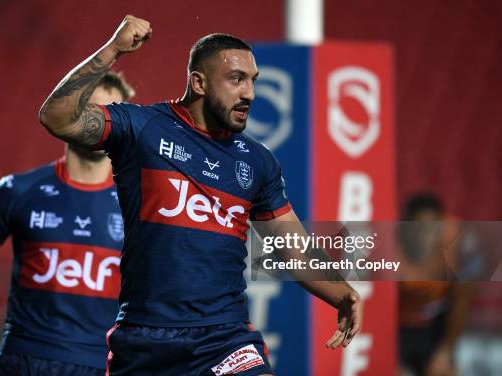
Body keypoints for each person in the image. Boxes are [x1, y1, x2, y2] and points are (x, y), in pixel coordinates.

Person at [39, 15, 362, 375]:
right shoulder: (142, 129)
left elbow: (292, 248)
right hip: (144, 342)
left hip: (224, 338)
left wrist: (343, 293)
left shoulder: (257, 162)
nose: (250, 94)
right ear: (199, 82)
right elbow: (57, 117)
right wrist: (113, 48)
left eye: (253, 81)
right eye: (237, 80)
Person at [0, 71, 134, 375]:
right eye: (93, 111)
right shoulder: (17, 191)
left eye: (113, 115)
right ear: (70, 116)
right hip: (22, 359)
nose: (102, 124)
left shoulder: (140, 205)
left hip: (100, 365)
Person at [398, 194, 475, 376]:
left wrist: (446, 350)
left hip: (434, 324)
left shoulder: (458, 243)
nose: (425, 236)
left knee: (443, 371)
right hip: (396, 324)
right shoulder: (387, 244)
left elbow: (462, 303)